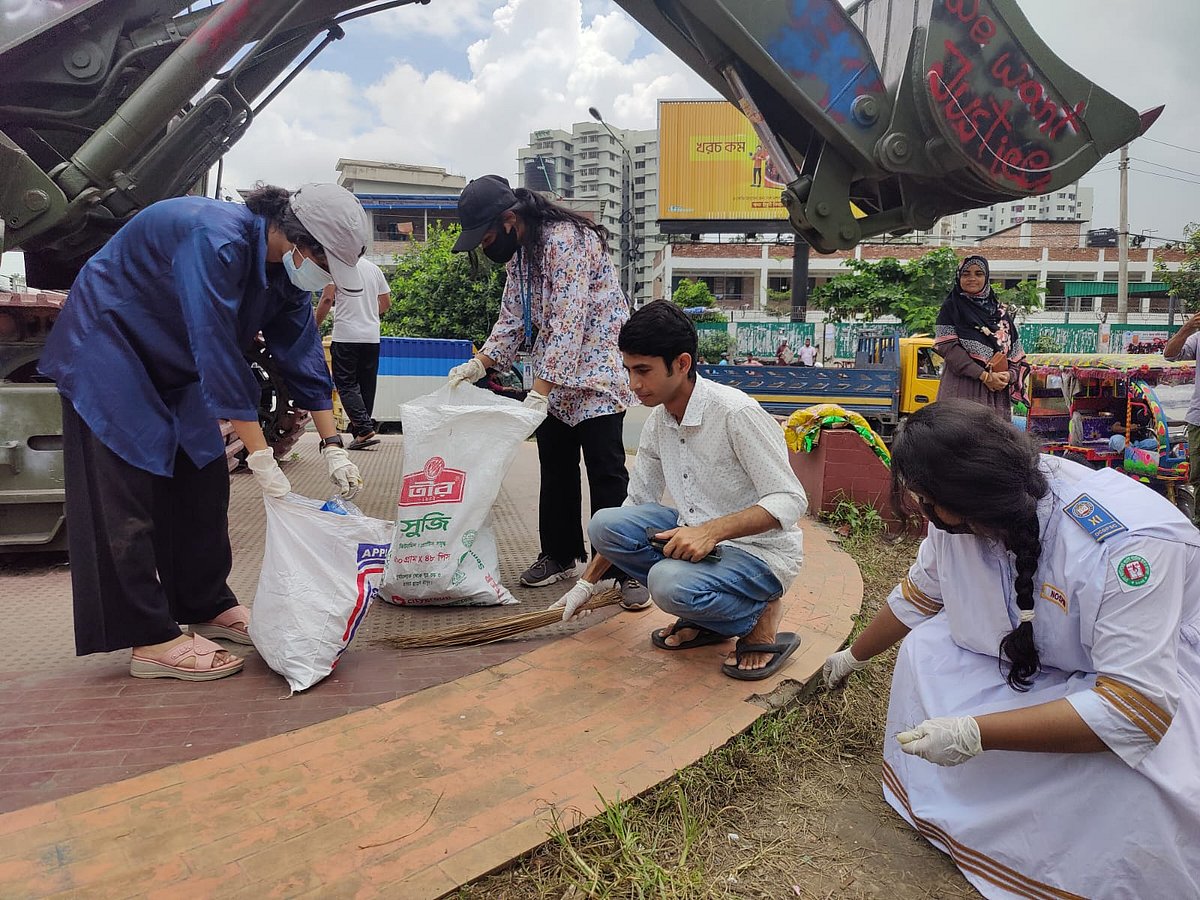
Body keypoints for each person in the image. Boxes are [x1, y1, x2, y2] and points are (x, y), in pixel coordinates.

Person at [822, 399, 1200, 899]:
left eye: (925, 500)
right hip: (1043, 663)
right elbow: (919, 597)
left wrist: (974, 734)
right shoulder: (960, 514)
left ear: (970, 496)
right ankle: (970, 818)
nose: (920, 509)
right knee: (926, 650)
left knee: (1135, 788)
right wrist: (852, 657)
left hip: (1135, 683)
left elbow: (1134, 709)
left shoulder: (1130, 544)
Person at [39, 184, 368, 682]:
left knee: (202, 472)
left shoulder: (285, 273)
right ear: (300, 240)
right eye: (326, 263)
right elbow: (215, 346)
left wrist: (333, 446)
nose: (325, 278)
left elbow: (301, 353)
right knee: (124, 493)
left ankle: (204, 601)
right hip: (111, 345)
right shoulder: (215, 239)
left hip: (176, 362)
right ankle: (148, 636)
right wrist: (262, 458)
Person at [552, 301, 807, 680]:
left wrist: (710, 532)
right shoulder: (659, 422)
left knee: (666, 584)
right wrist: (585, 585)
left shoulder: (736, 413)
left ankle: (760, 615)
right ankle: (708, 618)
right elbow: (637, 504)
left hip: (759, 555)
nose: (633, 384)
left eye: (643, 370)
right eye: (628, 370)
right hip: (698, 543)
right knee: (606, 525)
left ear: (682, 363)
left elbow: (790, 499)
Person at [447, 175, 649, 610]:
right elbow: (511, 320)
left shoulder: (566, 240)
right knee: (555, 467)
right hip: (554, 376)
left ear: (508, 219)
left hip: (595, 370)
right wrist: (481, 362)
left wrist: (538, 392)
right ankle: (558, 554)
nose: (486, 247)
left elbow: (567, 321)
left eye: (486, 238)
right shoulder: (520, 258)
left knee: (606, 471)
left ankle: (623, 567)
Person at [933, 255, 1028, 415]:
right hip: (962, 390)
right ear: (959, 277)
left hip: (996, 393)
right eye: (966, 274)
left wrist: (1008, 376)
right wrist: (984, 376)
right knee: (960, 428)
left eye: (978, 273)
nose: (972, 278)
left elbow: (1015, 354)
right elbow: (948, 349)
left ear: (986, 277)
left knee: (993, 430)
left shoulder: (1000, 313)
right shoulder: (951, 308)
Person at [315, 256, 392, 450]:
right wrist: (367, 313)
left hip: (346, 336)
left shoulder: (337, 266)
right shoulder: (374, 269)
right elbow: (385, 303)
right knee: (366, 385)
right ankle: (361, 434)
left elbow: (327, 298)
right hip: (371, 337)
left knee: (346, 384)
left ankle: (364, 429)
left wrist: (313, 327)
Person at [1163, 311, 1200, 527]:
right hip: (1198, 419)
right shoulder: (1197, 337)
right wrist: (1187, 327)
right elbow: (1170, 354)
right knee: (1198, 476)